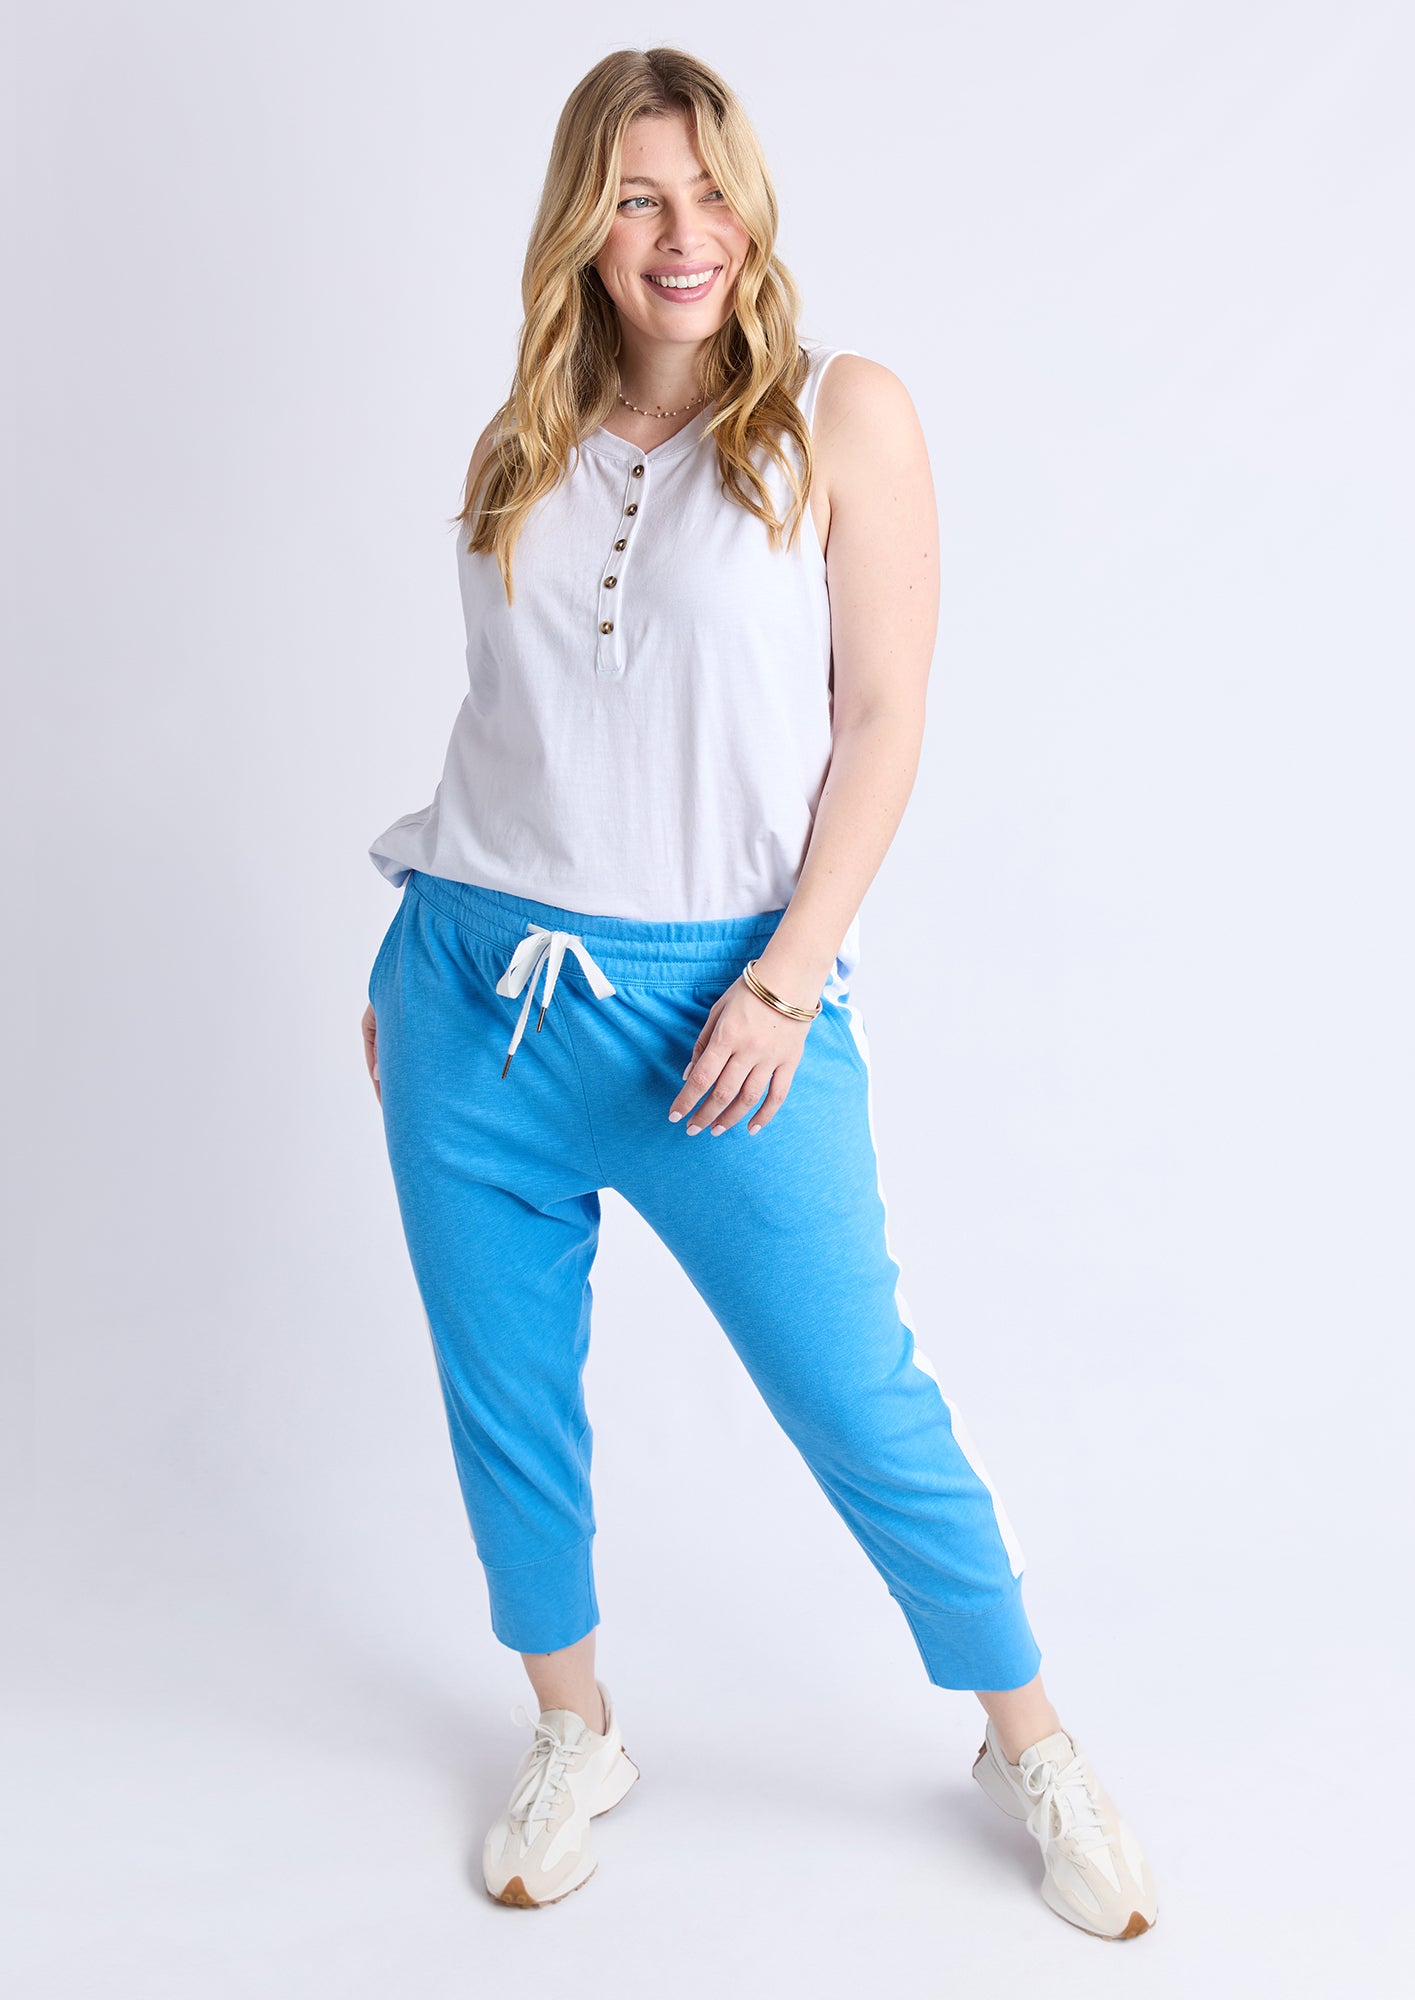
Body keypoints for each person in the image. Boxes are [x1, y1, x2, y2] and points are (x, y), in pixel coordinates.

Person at [361, 46, 1157, 1939]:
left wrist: (787, 989)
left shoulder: (835, 416)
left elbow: (882, 726)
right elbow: (514, 726)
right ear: (583, 223)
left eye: (709, 191)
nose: (682, 233)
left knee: (859, 1399)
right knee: (505, 1400)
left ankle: (1030, 1740)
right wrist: (413, 953)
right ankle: (574, 1727)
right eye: (638, 197)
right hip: (474, 993)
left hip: (727, 1011)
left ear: (754, 205)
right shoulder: (522, 439)